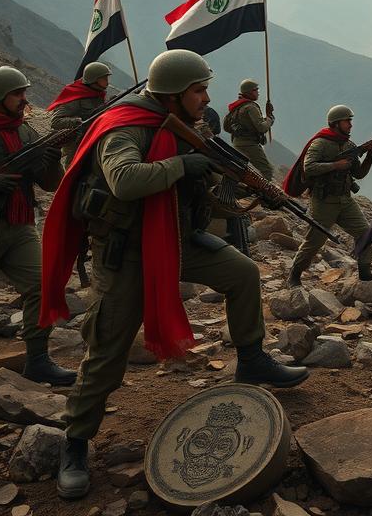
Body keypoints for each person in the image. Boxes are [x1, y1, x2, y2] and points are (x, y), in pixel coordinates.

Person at [41, 49, 308, 501]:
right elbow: (125, 180)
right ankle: (76, 441)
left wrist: (252, 193)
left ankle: (252, 358)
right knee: (108, 350)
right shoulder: (124, 127)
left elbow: (201, 189)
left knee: (242, 272)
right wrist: (182, 165)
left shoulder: (186, 127)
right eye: (199, 90)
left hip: (177, 239)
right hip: (126, 252)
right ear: (174, 94)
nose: (207, 98)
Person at [0, 66, 74, 387]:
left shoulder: (26, 132)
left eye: (24, 92)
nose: (25, 99)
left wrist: (52, 159)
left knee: (43, 285)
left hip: (18, 224)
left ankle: (38, 361)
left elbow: (50, 184)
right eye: (17, 93)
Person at [287, 105, 372, 285]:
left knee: (364, 232)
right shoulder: (320, 143)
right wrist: (335, 165)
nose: (351, 125)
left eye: (350, 121)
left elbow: (359, 173)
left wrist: (370, 155)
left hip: (345, 200)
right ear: (336, 123)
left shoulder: (349, 145)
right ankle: (294, 275)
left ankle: (364, 271)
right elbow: (309, 168)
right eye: (347, 121)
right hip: (323, 201)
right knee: (314, 242)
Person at [48, 62, 112, 167]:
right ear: (94, 79)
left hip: (92, 140)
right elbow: (56, 121)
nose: (107, 82)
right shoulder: (76, 96)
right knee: (73, 170)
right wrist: (76, 122)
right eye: (104, 78)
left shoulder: (97, 94)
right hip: (77, 144)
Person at [222, 79, 275, 180]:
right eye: (256, 90)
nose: (258, 93)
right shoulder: (251, 107)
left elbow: (227, 127)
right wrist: (269, 119)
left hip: (237, 143)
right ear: (249, 92)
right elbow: (262, 128)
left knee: (240, 169)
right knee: (266, 170)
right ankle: (266, 193)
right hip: (250, 145)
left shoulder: (236, 106)